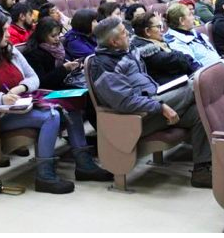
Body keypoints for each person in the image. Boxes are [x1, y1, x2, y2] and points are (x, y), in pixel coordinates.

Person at [0, 14, 112, 193]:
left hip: (22, 104)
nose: (9, 34)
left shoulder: (9, 50)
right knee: (51, 116)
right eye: (3, 31)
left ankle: (84, 164)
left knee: (72, 106)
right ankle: (44, 175)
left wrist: (20, 88)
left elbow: (33, 78)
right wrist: (1, 98)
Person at [90, 16, 212, 188]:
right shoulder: (104, 66)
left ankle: (202, 171)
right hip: (136, 118)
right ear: (114, 41)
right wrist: (160, 106)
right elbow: (125, 102)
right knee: (195, 85)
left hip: (152, 104)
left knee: (200, 112)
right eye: (125, 33)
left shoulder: (127, 50)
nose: (129, 35)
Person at [132, 12, 200, 84]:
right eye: (158, 27)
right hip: (169, 87)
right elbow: (178, 61)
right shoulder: (146, 51)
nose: (162, 30)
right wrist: (182, 57)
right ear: (147, 31)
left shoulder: (157, 42)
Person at [23, 17, 79, 90]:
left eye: (58, 34)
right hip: (49, 90)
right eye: (53, 36)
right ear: (42, 35)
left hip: (65, 82)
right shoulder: (32, 53)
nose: (57, 38)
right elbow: (42, 81)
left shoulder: (58, 47)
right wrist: (64, 68)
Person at [164, 3, 221, 68]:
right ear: (182, 21)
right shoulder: (175, 42)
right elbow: (193, 67)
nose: (193, 17)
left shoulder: (191, 31)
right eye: (190, 15)